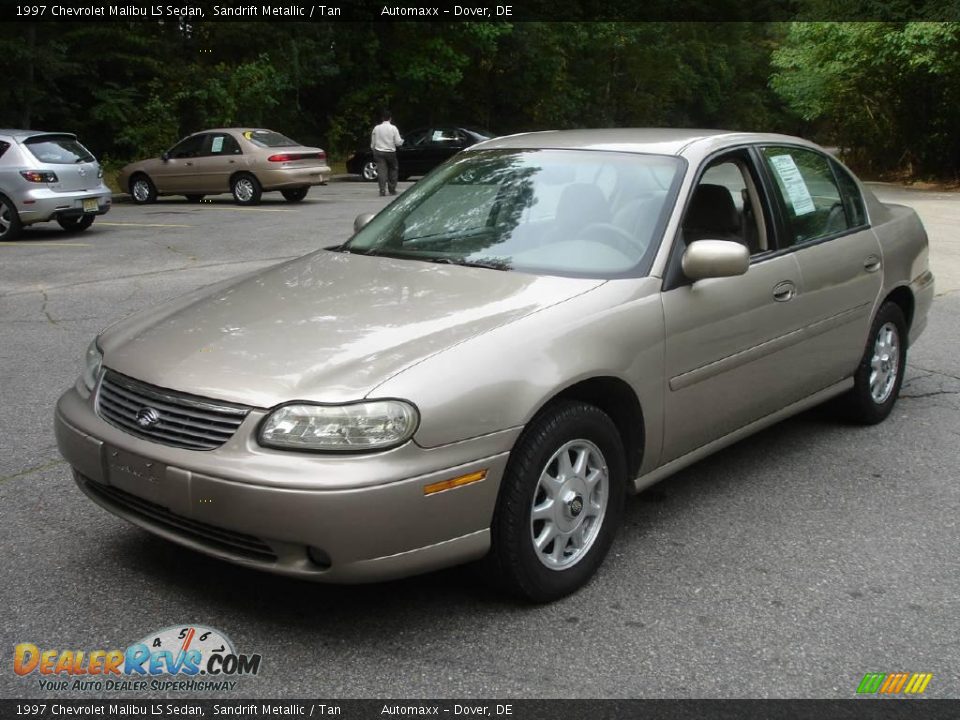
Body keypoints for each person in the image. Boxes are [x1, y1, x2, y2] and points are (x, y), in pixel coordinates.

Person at [370, 110, 403, 196]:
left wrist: (373, 148)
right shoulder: (393, 128)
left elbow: (373, 142)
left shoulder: (376, 128)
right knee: (393, 170)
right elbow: (398, 142)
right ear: (390, 118)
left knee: (381, 171)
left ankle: (382, 190)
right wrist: (402, 141)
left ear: (382, 118)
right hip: (390, 152)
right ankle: (392, 189)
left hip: (378, 151)